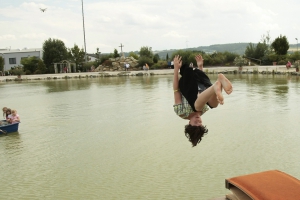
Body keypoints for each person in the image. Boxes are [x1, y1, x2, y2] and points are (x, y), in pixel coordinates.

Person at [173, 54, 233, 147]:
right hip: (203, 82)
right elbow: (202, 85)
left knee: (197, 107)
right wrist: (200, 66)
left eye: (195, 123)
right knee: (213, 105)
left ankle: (216, 86)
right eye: (200, 123)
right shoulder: (204, 111)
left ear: (189, 123)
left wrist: (176, 69)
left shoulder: (181, 112)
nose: (198, 120)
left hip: (187, 82)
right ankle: (218, 83)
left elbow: (176, 90)